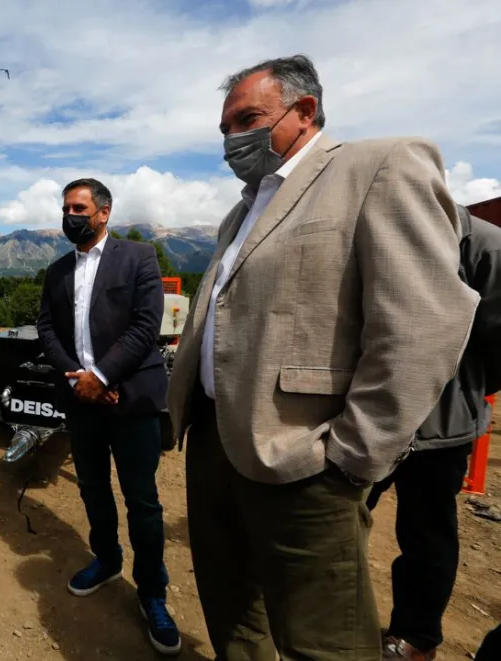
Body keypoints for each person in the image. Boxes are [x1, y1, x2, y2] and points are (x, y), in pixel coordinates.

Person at [165, 54, 480, 661]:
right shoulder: (243, 207)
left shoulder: (379, 166)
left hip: (303, 458)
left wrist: (352, 457)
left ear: (304, 110)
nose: (234, 139)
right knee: (233, 613)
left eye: (248, 119)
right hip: (213, 443)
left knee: (323, 641)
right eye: (225, 128)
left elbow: (421, 323)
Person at [37, 178, 180, 656]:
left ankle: (153, 593)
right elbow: (46, 327)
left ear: (103, 212)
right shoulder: (57, 270)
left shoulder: (138, 257)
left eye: (78, 207)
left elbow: (146, 325)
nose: (69, 216)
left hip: (131, 399)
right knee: (93, 487)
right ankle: (106, 559)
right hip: (82, 401)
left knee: (142, 500)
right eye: (65, 208)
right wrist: (77, 378)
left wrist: (101, 375)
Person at [368, 204, 501, 661]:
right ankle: (327, 616)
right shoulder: (378, 229)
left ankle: (416, 637)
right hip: (366, 417)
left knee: (426, 536)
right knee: (339, 522)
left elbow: (498, 341)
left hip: (440, 426)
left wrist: (461, 389)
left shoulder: (483, 245)